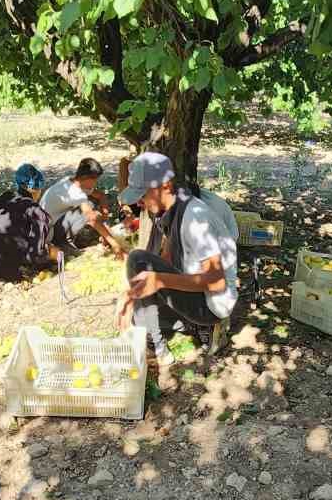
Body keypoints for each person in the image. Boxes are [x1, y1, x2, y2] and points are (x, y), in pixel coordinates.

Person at [117, 152, 238, 364]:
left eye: (142, 194)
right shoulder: (174, 208)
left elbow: (216, 283)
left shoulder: (194, 217)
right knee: (140, 310)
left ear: (164, 186)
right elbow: (166, 258)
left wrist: (159, 281)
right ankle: (189, 327)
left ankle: (166, 342)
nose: (139, 202)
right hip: (195, 289)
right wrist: (132, 292)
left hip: (212, 303)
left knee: (137, 260)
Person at [0, 164, 59, 282]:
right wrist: (52, 253)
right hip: (2, 271)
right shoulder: (36, 212)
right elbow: (35, 254)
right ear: (37, 189)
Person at [40, 158, 126, 257]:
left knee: (90, 204)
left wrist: (104, 215)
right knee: (87, 210)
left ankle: (93, 233)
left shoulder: (71, 181)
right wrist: (115, 244)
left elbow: (101, 196)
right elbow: (91, 218)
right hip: (48, 233)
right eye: (95, 180)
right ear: (86, 177)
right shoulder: (75, 193)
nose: (95, 183)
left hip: (50, 223)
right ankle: (63, 243)